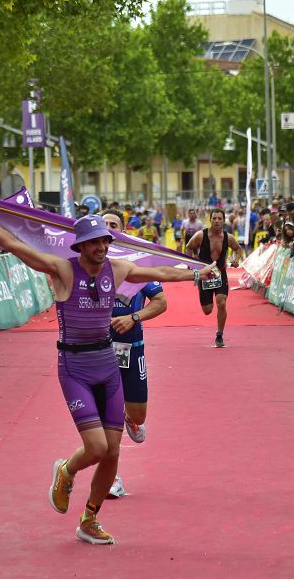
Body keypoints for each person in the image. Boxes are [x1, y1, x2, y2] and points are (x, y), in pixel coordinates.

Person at [0, 195, 216, 545]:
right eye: (95, 241)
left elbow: (162, 272)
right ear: (80, 245)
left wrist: (197, 272)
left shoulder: (119, 270)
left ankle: (89, 519)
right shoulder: (63, 270)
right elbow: (14, 245)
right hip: (74, 367)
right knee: (96, 447)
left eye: (106, 241)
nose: (103, 246)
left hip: (107, 366)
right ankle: (66, 470)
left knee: (114, 451)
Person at [101, 213, 168, 499]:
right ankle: (112, 477)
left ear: (123, 231)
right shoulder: (91, 266)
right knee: (107, 418)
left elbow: (161, 302)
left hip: (131, 349)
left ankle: (131, 417)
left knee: (138, 413)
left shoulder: (136, 265)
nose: (108, 230)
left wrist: (133, 317)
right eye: (103, 226)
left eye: (113, 225)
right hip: (99, 352)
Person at [185, 208, 242, 348]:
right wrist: (191, 264)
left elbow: (238, 249)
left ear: (223, 221)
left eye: (219, 218)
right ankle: (207, 303)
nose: (216, 221)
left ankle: (219, 335)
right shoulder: (200, 235)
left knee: (221, 302)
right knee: (208, 310)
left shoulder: (228, 237)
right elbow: (188, 247)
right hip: (205, 275)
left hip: (220, 273)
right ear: (210, 220)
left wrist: (236, 259)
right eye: (214, 218)